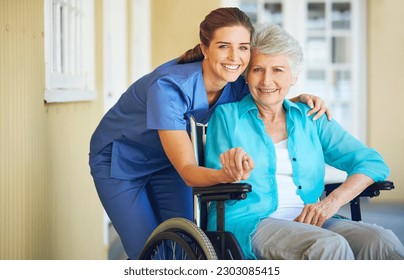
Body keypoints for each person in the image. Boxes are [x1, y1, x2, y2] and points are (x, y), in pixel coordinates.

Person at [89, 8, 330, 260]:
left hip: (167, 161)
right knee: (150, 255)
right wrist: (223, 175)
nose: (235, 57)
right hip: (121, 162)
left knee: (186, 245)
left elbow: (267, 95)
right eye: (224, 46)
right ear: (205, 48)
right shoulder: (169, 88)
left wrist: (299, 100)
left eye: (243, 47)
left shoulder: (236, 83)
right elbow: (188, 171)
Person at [205, 23, 404, 260]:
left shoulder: (310, 117)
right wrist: (231, 168)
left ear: (294, 76)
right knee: (328, 246)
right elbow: (215, 175)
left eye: (278, 70)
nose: (267, 80)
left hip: (308, 219)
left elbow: (372, 162)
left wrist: (332, 202)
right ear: (246, 75)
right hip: (249, 223)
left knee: (382, 242)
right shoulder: (227, 117)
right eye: (258, 69)